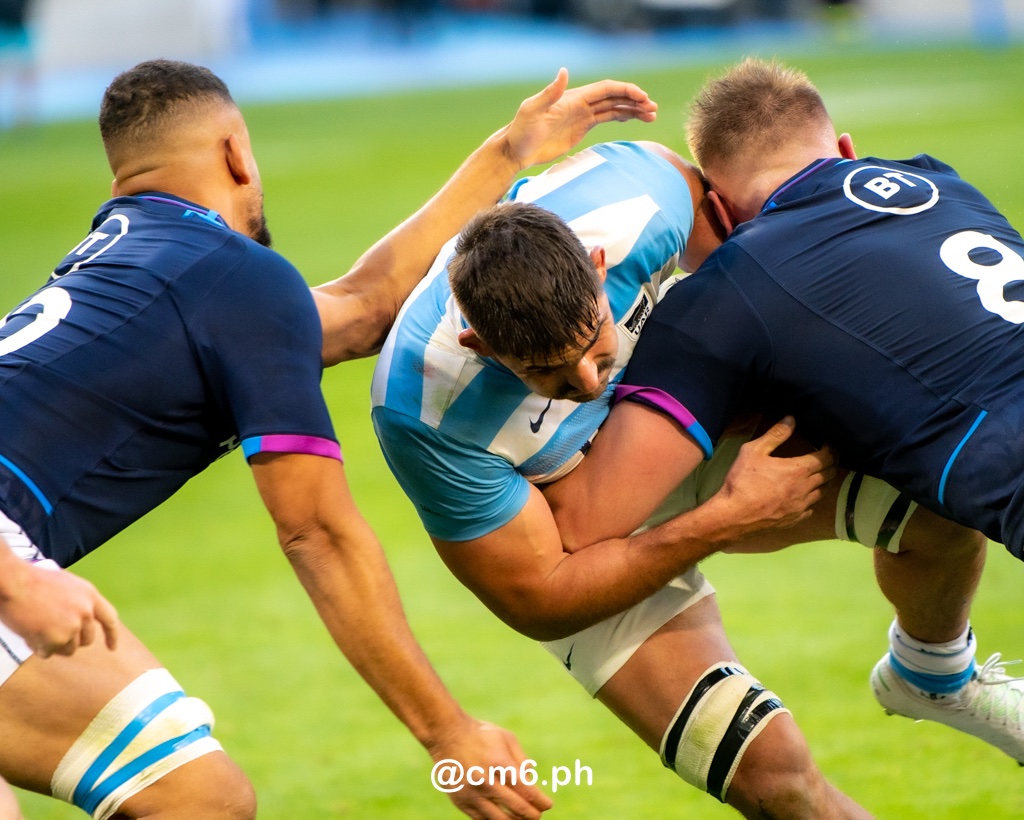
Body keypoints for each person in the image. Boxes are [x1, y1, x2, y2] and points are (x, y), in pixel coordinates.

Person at [0, 58, 660, 819]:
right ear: (235, 154)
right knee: (198, 801)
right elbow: (316, 531)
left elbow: (364, 307)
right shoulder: (231, 280)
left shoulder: (145, 266)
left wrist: (509, 152)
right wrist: (446, 732)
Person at [371, 135, 1018, 816]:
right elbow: (542, 598)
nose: (589, 383)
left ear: (597, 266)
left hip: (663, 438)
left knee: (936, 511)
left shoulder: (643, 197)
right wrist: (727, 518)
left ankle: (933, 674)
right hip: (567, 540)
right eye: (546, 374)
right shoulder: (423, 412)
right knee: (774, 774)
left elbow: (753, 276)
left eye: (595, 343)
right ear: (477, 343)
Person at [595, 57, 1024, 762]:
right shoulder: (940, 180)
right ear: (846, 151)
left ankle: (932, 672)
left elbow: (600, 516)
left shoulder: (730, 291)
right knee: (928, 518)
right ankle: (932, 670)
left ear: (720, 214)